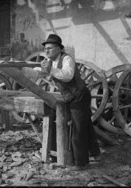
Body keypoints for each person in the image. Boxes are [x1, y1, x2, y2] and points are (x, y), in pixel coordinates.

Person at [38, 34, 101, 171]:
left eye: (49, 48)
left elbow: (67, 76)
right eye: (45, 49)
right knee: (86, 125)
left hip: (80, 96)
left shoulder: (67, 59)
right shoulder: (51, 62)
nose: (46, 51)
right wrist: (21, 68)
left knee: (78, 129)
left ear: (59, 49)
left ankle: (81, 163)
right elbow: (41, 74)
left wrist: (50, 70)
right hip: (70, 96)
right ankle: (96, 154)